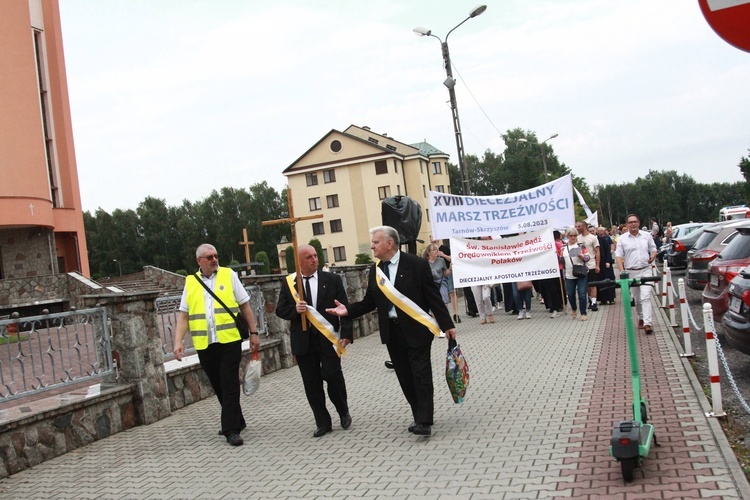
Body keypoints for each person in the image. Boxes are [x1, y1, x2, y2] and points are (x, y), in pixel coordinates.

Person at [326, 226, 456, 436]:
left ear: (390, 243)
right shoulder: (376, 270)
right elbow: (370, 301)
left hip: (417, 329)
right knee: (405, 377)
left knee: (420, 374)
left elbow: (433, 297)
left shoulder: (416, 264)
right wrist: (347, 310)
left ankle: (424, 420)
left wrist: (448, 325)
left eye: (376, 242)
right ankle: (418, 414)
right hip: (392, 332)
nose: (372, 246)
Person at [173, 243, 260, 447]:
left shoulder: (229, 275)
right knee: (218, 384)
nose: (214, 260)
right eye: (209, 257)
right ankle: (237, 419)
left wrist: (254, 333)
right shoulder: (191, 282)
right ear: (199, 261)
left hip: (229, 340)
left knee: (229, 383)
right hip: (205, 343)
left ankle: (231, 430)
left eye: (216, 256)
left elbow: (245, 305)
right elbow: (184, 315)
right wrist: (178, 341)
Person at [276, 245, 352, 438]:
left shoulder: (332, 279)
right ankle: (322, 422)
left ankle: (343, 411)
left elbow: (345, 307)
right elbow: (280, 309)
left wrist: (347, 333)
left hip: (328, 339)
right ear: (299, 262)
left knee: (333, 377)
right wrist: (295, 310)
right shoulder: (290, 283)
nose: (314, 260)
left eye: (316, 256)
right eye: (309, 257)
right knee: (311, 383)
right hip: (304, 341)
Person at [615, 214, 658, 334]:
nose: (633, 224)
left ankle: (647, 323)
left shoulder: (646, 236)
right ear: (627, 224)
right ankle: (640, 317)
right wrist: (621, 270)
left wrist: (652, 256)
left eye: (635, 221)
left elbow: (653, 248)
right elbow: (618, 256)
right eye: (630, 222)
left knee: (646, 296)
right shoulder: (622, 239)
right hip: (631, 271)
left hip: (645, 269)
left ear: (638, 223)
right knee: (637, 299)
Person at [431, 236, 460, 323]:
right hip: (437, 277)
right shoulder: (430, 250)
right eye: (431, 237)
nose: (433, 238)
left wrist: (443, 255)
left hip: (447, 272)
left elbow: (453, 259)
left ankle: (455, 313)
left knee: (452, 293)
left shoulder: (445, 248)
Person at [562, 230, 589, 321]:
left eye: (574, 235)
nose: (573, 237)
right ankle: (574, 308)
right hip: (569, 274)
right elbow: (561, 261)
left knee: (582, 293)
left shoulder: (581, 246)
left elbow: (587, 257)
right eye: (571, 235)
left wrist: (582, 257)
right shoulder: (563, 248)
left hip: (581, 272)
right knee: (570, 294)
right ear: (567, 236)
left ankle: (583, 312)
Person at [575, 221, 600, 311]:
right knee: (585, 285)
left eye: (579, 226)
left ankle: (594, 302)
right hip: (581, 265)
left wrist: (597, 265)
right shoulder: (577, 238)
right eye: (576, 226)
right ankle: (590, 299)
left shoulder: (593, 238)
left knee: (593, 284)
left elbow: (597, 251)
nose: (577, 228)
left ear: (584, 226)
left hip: (591, 263)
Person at [424, 243, 450, 309]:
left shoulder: (441, 260)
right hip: (431, 284)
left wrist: (450, 269)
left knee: (444, 303)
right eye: (434, 250)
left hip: (441, 283)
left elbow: (445, 273)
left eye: (437, 250)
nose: (436, 251)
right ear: (429, 252)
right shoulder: (425, 262)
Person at [596, 227, 617, 305]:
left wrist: (608, 261)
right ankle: (603, 299)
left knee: (609, 280)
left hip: (605, 263)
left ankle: (611, 298)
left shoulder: (604, 239)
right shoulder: (595, 240)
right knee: (600, 281)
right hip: (598, 264)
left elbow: (607, 251)